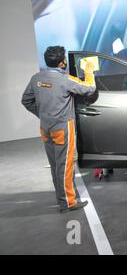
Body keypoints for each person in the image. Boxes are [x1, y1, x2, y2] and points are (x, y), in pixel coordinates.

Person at [21, 46, 97, 213]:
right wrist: (89, 70)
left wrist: (42, 114)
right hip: (63, 126)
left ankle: (61, 196)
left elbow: (26, 100)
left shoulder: (36, 78)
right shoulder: (66, 79)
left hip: (45, 127)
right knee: (65, 165)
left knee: (55, 164)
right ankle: (68, 202)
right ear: (62, 63)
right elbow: (90, 88)